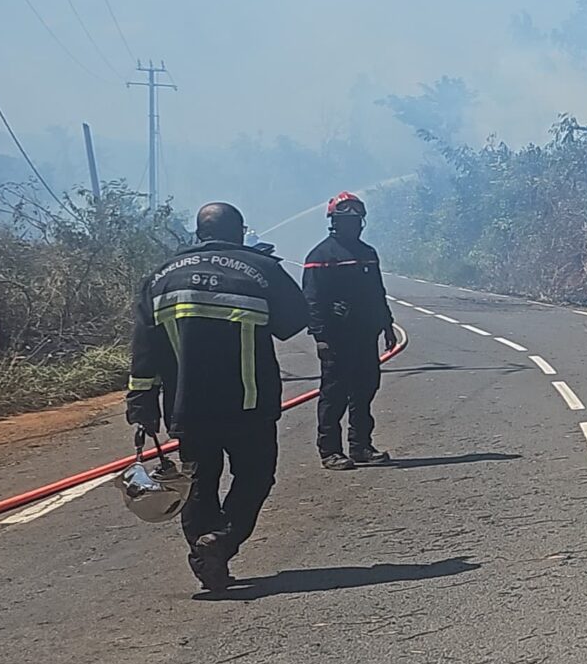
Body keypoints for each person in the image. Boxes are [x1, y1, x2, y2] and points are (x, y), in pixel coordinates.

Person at [125, 202, 312, 592]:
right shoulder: (261, 270)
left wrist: (141, 404)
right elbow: (294, 321)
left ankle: (204, 552)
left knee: (198, 483)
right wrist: (265, 275)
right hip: (249, 403)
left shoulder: (160, 277)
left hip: (187, 405)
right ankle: (222, 542)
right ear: (240, 232)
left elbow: (144, 348)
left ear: (197, 234)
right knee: (255, 476)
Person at [303, 191, 398, 469]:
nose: (353, 225)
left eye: (357, 220)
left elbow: (377, 292)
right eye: (347, 220)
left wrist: (387, 324)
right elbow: (311, 299)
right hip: (336, 338)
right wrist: (320, 336)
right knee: (334, 395)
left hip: (366, 335)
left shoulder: (368, 254)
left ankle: (361, 446)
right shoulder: (320, 256)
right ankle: (330, 450)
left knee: (364, 391)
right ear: (334, 222)